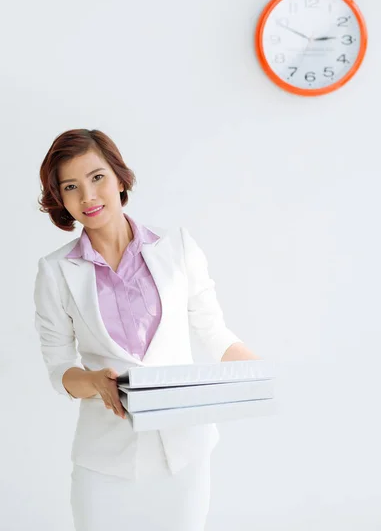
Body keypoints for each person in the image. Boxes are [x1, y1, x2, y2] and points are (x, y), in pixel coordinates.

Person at [33, 128, 260, 531]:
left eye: (97, 177)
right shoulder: (54, 272)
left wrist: (261, 372)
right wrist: (94, 381)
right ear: (61, 200)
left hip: (185, 455)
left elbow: (214, 332)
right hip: (104, 462)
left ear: (120, 179)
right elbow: (59, 371)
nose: (88, 196)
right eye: (71, 186)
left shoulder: (177, 248)